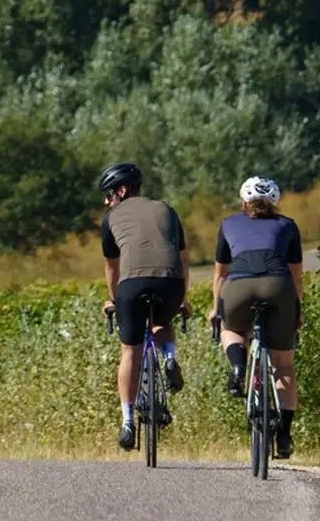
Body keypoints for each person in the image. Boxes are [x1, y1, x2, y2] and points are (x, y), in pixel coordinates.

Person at [98, 162, 190, 452]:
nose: (106, 201)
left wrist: (114, 299)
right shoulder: (168, 210)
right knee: (162, 321)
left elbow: (112, 268)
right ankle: (169, 355)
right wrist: (183, 296)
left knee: (130, 350)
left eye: (109, 194)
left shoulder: (110, 218)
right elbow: (182, 258)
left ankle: (127, 422)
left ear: (122, 191)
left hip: (132, 286)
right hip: (171, 283)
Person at [212, 175, 304, 460]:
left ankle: (238, 366)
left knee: (230, 328)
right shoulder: (288, 225)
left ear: (244, 202)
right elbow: (297, 276)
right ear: (275, 203)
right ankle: (285, 434)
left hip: (238, 286)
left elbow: (220, 274)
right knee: (284, 366)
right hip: (279, 286)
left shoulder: (228, 224)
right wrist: (297, 312)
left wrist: (217, 310)